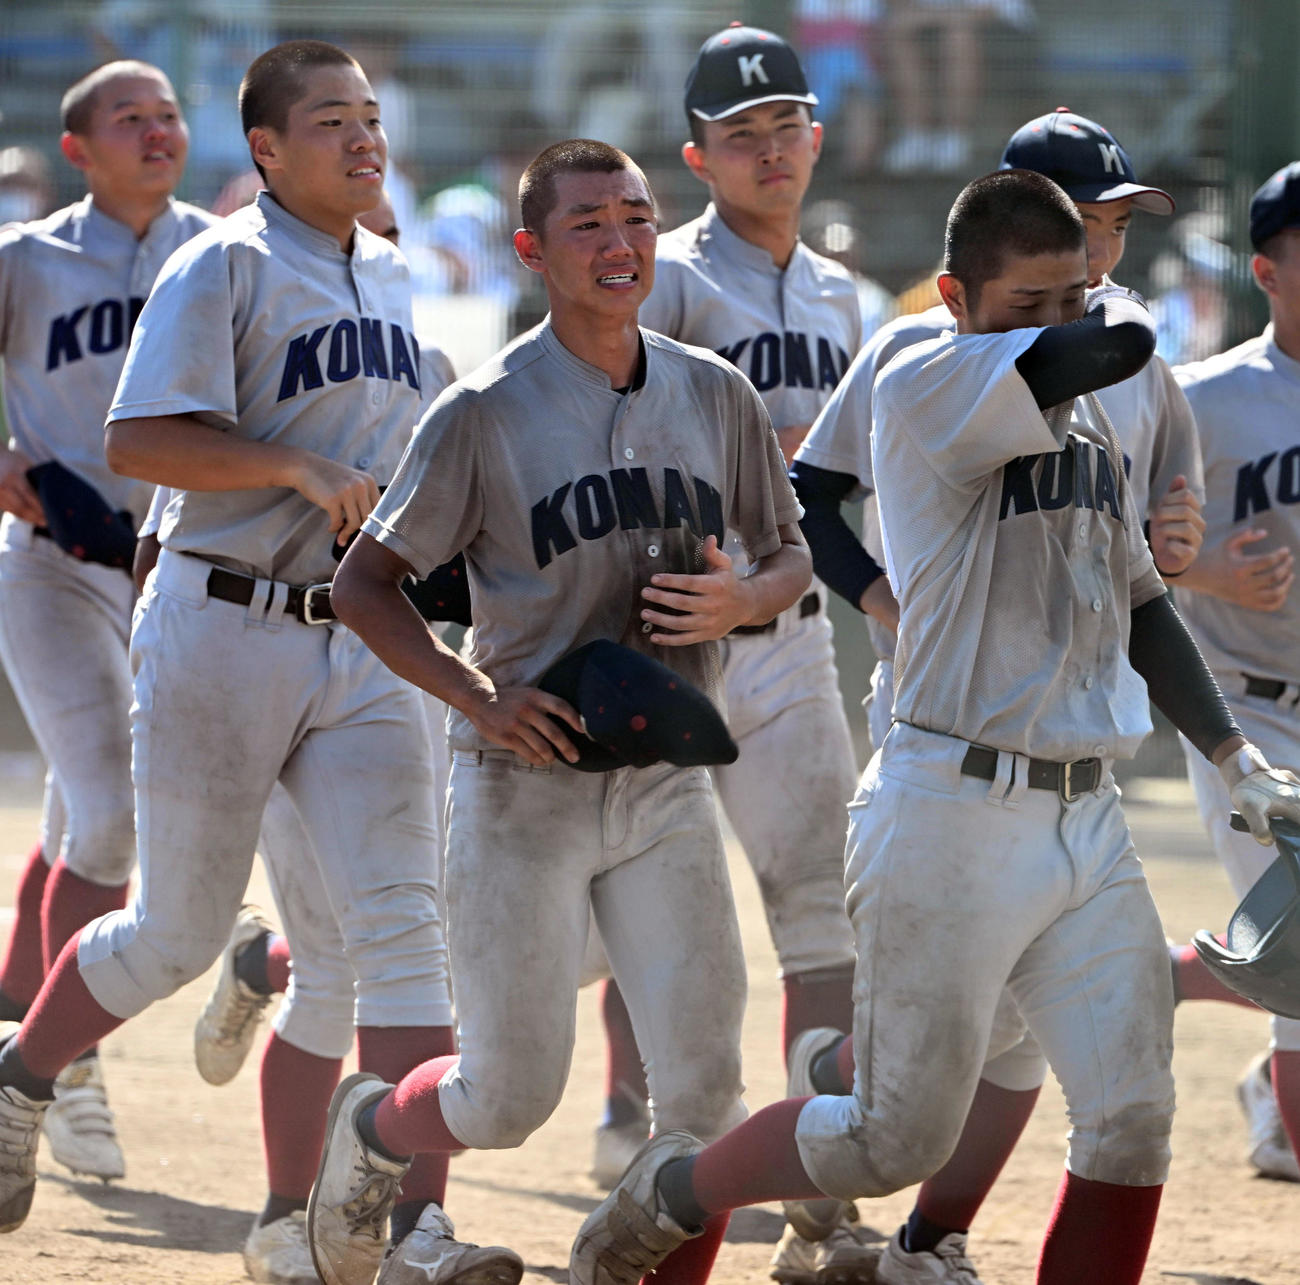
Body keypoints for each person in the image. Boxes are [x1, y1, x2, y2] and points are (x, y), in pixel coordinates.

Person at [569, 168, 1300, 1285]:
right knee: (889, 1135)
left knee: (1131, 1117)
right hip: (949, 808)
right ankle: (673, 1187)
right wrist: (1112, 306)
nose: (1055, 324)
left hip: (1086, 819)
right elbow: (1102, 348)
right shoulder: (926, 365)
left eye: (1069, 298)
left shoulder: (1089, 401)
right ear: (955, 294)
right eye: (1026, 304)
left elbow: (1142, 597)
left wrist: (1230, 752)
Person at [0, 41, 519, 1285]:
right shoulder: (221, 260)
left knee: (404, 935)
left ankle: (411, 1231)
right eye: (328, 122)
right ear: (269, 154)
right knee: (175, 930)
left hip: (360, 635)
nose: (362, 139)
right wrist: (294, 467)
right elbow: (139, 436)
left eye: (370, 119)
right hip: (218, 619)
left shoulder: (395, 275)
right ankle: (19, 1077)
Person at [303, 136, 812, 1285]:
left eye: (634, 216)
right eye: (586, 224)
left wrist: (740, 596)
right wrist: (476, 696)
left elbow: (789, 556)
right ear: (533, 251)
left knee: (701, 1094)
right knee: (508, 1094)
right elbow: (361, 586)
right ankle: (375, 1130)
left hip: (667, 782)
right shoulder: (485, 408)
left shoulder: (714, 390)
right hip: (523, 783)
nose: (619, 242)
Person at [790, 107, 1206, 1279]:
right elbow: (811, 489)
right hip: (948, 740)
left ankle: (932, 1236)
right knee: (934, 1075)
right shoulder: (929, 345)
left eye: (1122, 225)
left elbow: (1146, 554)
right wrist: (880, 599)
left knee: (1025, 1059)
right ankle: (841, 1095)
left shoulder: (1122, 344)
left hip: (1072, 751)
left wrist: (1177, 543)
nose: (1112, 245)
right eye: (1092, 220)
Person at [592, 24, 890, 1282]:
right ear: (696, 156)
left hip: (790, 633)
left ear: (816, 138)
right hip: (659, 626)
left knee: (820, 909)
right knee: (651, 906)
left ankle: (818, 1184)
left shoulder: (848, 297)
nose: (770, 152)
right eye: (741, 135)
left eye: (787, 128)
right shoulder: (662, 280)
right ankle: (634, 1115)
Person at [0, 59, 213, 1187]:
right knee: (111, 809)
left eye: (169, 113)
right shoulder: (26, 257)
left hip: (173, 571)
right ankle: (62, 1074)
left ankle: (12, 1015)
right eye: (127, 118)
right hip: (50, 568)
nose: (156, 130)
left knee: (82, 817)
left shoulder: (219, 252)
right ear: (78, 148)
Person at [1164, 161, 1300, 1184]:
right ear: (1265, 268)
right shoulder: (1205, 400)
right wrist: (1206, 565)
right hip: (1247, 716)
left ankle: (1164, 976)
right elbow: (1111, 540)